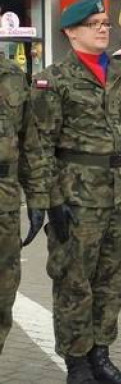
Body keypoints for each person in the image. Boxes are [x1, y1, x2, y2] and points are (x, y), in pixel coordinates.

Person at [24, 0, 121, 384]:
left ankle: (101, 355)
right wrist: (49, 201)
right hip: (77, 199)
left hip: (119, 196)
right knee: (74, 282)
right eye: (93, 23)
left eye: (105, 22)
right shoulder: (53, 79)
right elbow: (39, 144)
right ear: (70, 32)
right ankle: (77, 364)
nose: (102, 29)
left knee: (112, 281)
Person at [0, 55, 29, 357]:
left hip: (6, 200)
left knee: (4, 291)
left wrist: (37, 197)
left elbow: (28, 140)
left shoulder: (13, 74)